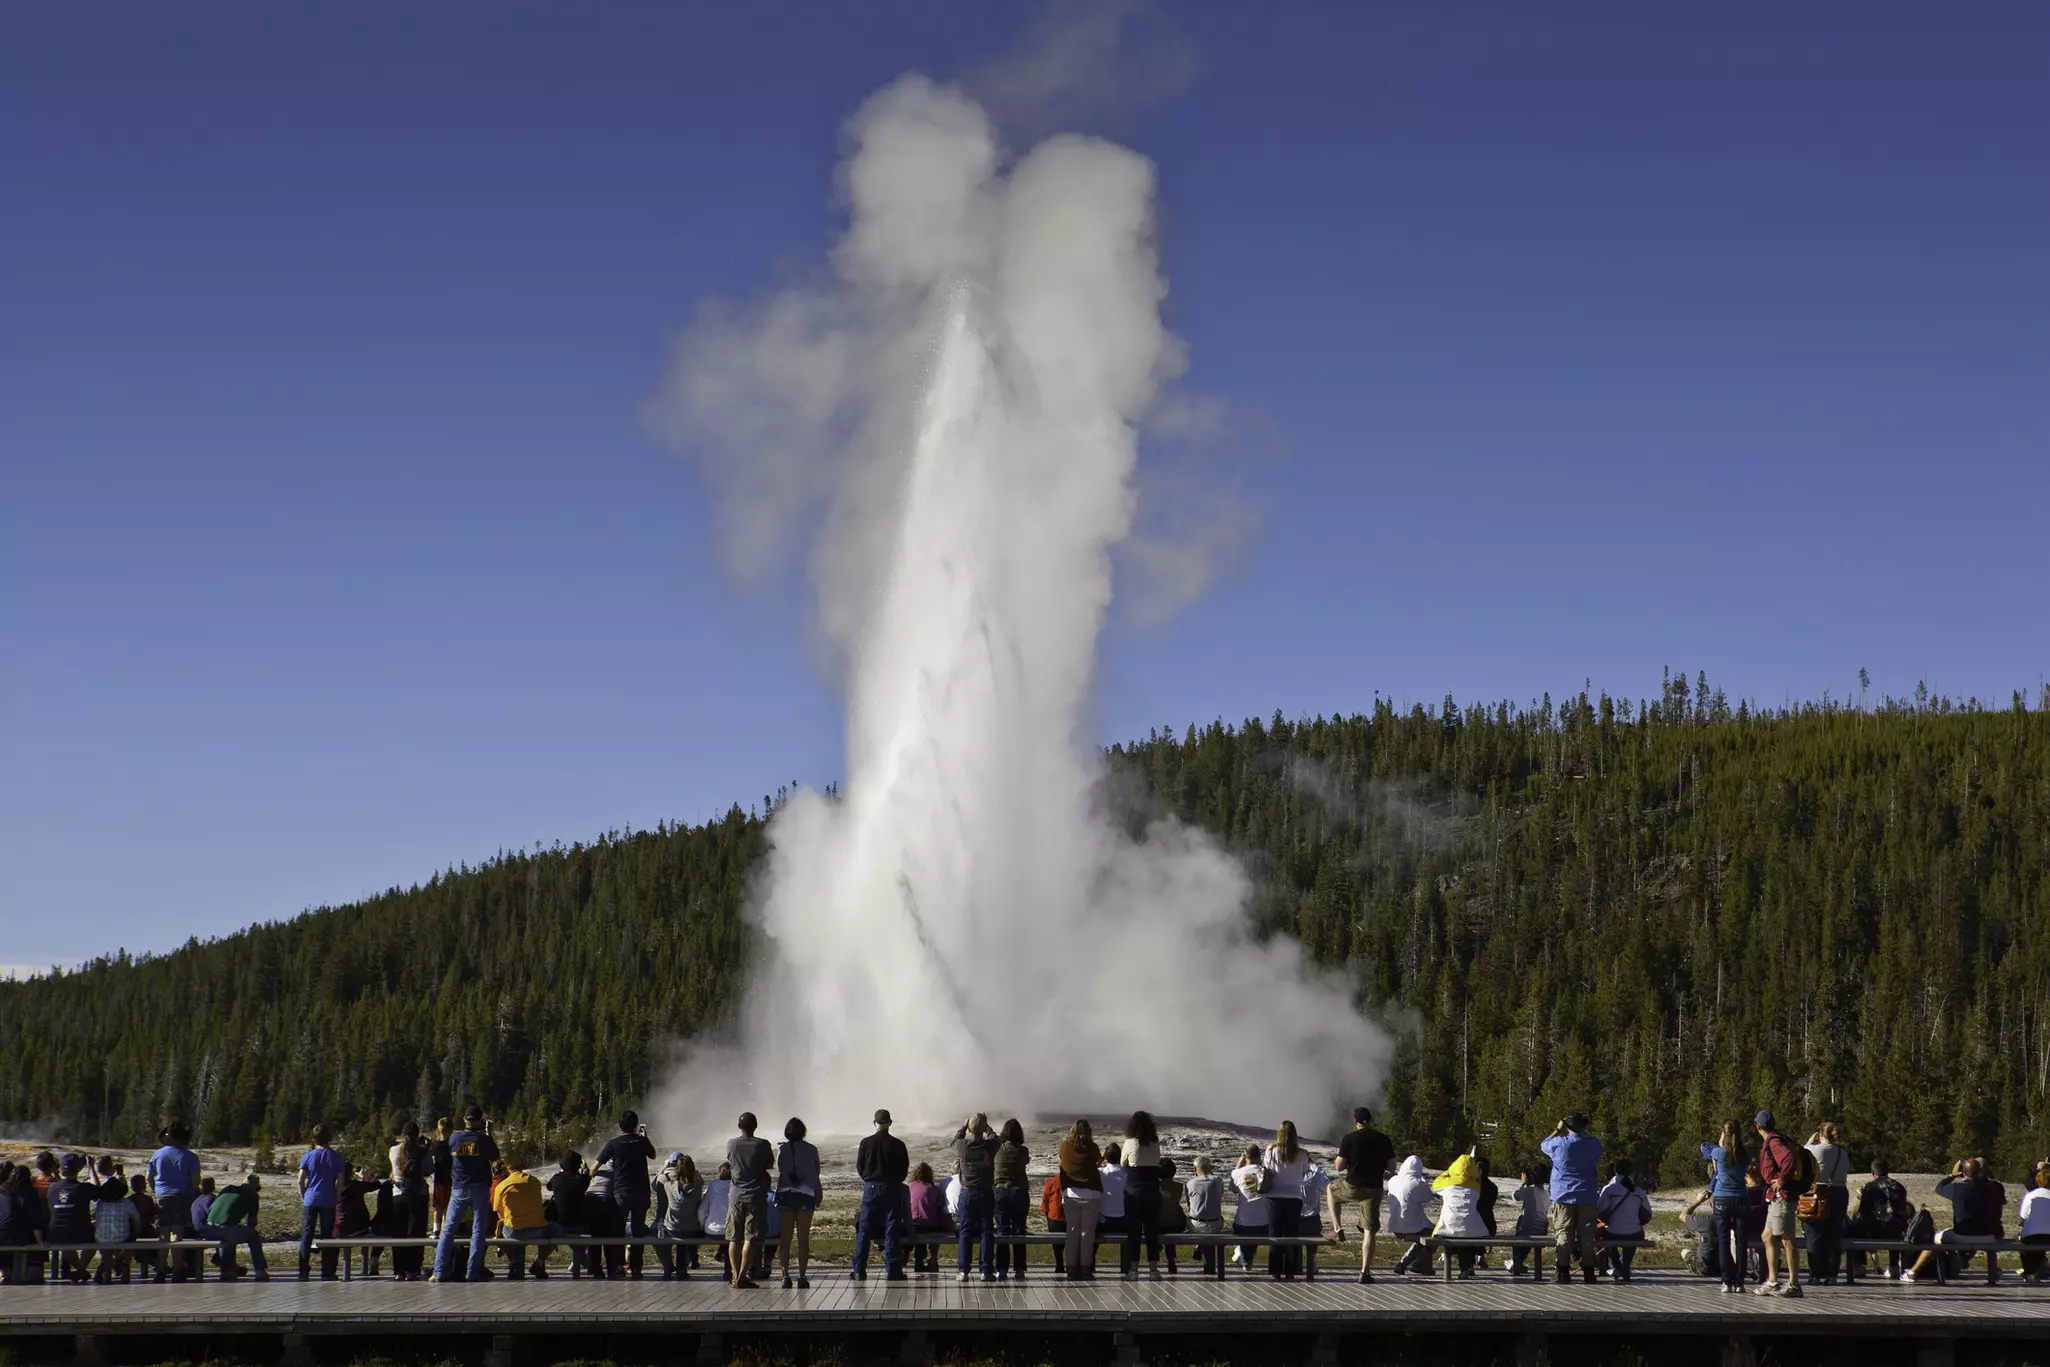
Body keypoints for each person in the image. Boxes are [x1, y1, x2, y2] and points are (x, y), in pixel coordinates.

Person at [432, 1104, 499, 1283]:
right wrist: (489, 1133)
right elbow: (494, 1156)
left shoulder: (454, 1137)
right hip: (479, 1187)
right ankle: (472, 1272)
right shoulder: (483, 1140)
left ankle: (439, 1271)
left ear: (464, 1119)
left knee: (448, 1231)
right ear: (480, 1120)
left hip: (459, 1188)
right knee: (478, 1231)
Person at [1331, 1106, 1397, 1283]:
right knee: (1370, 1232)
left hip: (1353, 1185)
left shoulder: (1349, 1138)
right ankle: (1364, 1272)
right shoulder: (1383, 1139)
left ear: (1355, 1122)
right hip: (1374, 1188)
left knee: (1331, 1190)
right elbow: (1392, 1166)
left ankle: (1337, 1227)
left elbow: (1339, 1167)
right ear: (1370, 1121)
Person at [1916, 1157, 2006, 1283]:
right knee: (1988, 1246)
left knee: (1937, 1240)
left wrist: (1952, 1176)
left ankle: (1913, 1272)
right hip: (1988, 1234)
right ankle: (1992, 1277)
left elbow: (1939, 1187)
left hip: (1962, 1234)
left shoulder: (1958, 1188)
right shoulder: (1993, 1188)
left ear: (1963, 1173)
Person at [1540, 1112, 1603, 1286]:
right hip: (1587, 1195)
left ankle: (1562, 1270)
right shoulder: (1594, 1144)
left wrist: (1557, 1130)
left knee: (1564, 1233)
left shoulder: (1559, 1144)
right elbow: (1598, 1149)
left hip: (1563, 1195)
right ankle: (1589, 1272)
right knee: (1587, 1235)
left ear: (1567, 1126)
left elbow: (1543, 1144)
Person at [595, 1110, 659, 1278]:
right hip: (641, 1193)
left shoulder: (613, 1143)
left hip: (621, 1193)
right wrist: (645, 1137)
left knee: (617, 1231)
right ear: (636, 1125)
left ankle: (617, 1268)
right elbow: (653, 1154)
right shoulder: (641, 1141)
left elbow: (594, 1167)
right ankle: (636, 1268)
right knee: (638, 1232)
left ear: (620, 1125)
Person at [1753, 1110, 1806, 1298]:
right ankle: (1773, 1281)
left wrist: (1782, 1179)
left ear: (1757, 1127)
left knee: (1787, 1238)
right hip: (1776, 1196)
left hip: (1782, 1196)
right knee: (1767, 1236)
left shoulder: (1774, 1142)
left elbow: (1788, 1159)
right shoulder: (1778, 1139)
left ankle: (1794, 1284)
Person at [853, 1109, 910, 1281]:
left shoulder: (866, 1143)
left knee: (864, 1227)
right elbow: (904, 1169)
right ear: (890, 1123)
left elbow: (859, 1166)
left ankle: (859, 1269)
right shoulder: (898, 1145)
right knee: (891, 1227)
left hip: (871, 1187)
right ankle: (893, 1268)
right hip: (892, 1186)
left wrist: (868, 1179)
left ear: (874, 1123)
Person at [492, 1153, 568, 1279]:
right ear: (521, 1165)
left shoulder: (501, 1186)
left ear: (507, 1168)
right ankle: (539, 1261)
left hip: (513, 1231)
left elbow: (499, 1212)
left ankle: (514, 1262)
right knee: (558, 1230)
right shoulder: (534, 1181)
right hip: (537, 1230)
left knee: (500, 1234)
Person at [724, 1111, 774, 1290]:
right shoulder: (762, 1144)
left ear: (739, 1126)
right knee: (750, 1237)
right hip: (755, 1195)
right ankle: (742, 1277)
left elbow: (729, 1163)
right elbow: (769, 1164)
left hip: (736, 1195)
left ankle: (734, 1274)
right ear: (755, 1126)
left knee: (734, 1237)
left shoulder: (731, 1144)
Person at [1700, 1122, 1750, 1293]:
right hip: (1741, 1197)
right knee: (1741, 1241)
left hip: (1722, 1197)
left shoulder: (1718, 1152)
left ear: (1724, 1135)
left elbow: (1707, 1152)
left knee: (1723, 1240)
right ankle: (1740, 1282)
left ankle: (1726, 1281)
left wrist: (1721, 1143)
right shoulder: (1745, 1154)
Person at [148, 1123, 202, 1283]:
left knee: (163, 1232)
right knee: (177, 1232)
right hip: (182, 1195)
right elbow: (195, 1179)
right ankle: (178, 1269)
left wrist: (156, 1190)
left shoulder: (158, 1154)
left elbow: (149, 1177)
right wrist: (191, 1193)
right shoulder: (189, 1156)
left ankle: (161, 1269)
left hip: (163, 1195)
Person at [950, 1112, 999, 1282]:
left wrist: (964, 1126)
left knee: (965, 1231)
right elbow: (996, 1139)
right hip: (985, 1192)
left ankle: (963, 1271)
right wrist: (986, 1126)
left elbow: (954, 1142)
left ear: (970, 1128)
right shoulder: (990, 1146)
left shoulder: (963, 1146)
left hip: (967, 1191)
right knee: (987, 1231)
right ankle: (986, 1271)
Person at [297, 1125, 349, 1281]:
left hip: (310, 1199)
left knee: (307, 1235)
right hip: (328, 1199)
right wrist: (337, 1196)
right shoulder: (336, 1157)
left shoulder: (308, 1156)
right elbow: (340, 1181)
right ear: (330, 1138)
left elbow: (300, 1180)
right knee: (327, 1236)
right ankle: (327, 1271)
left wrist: (304, 1196)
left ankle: (303, 1271)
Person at [776, 1117, 821, 1289]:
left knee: (785, 1238)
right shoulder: (812, 1149)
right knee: (803, 1238)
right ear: (803, 1132)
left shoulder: (782, 1149)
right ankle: (802, 1276)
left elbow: (781, 1169)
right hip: (805, 1195)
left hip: (786, 1195)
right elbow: (816, 1171)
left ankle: (785, 1276)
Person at [1803, 1121, 1851, 1284]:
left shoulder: (1815, 1149)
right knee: (1834, 1234)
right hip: (1839, 1191)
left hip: (1819, 1192)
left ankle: (1815, 1273)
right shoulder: (1842, 1153)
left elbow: (1801, 1153)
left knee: (1814, 1234)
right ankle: (1832, 1274)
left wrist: (1810, 1141)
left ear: (1821, 1134)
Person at [1120, 1111, 1165, 1281]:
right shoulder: (1155, 1142)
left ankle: (1133, 1270)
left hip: (1134, 1191)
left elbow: (1124, 1165)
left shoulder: (1130, 1142)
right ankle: (1153, 1269)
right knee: (1152, 1230)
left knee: (1134, 1231)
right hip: (1152, 1190)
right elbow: (1157, 1162)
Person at [1263, 1121, 1310, 1280]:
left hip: (1274, 1197)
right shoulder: (1302, 1153)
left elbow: (1267, 1169)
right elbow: (1304, 1171)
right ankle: (1290, 1270)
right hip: (1294, 1197)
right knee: (1291, 1233)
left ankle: (1275, 1270)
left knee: (1274, 1233)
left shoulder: (1271, 1151)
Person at [1431, 1152, 1490, 1278]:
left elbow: (1435, 1184)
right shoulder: (1476, 1187)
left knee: (1456, 1233)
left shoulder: (1448, 1184)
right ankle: (1466, 1267)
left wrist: (1448, 1172)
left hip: (1447, 1227)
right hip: (1471, 1228)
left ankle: (1460, 1268)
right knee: (1466, 1235)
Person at [1059, 1119, 1104, 1281]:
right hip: (1091, 1194)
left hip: (1071, 1193)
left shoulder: (1064, 1146)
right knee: (1087, 1233)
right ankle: (1085, 1268)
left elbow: (1063, 1163)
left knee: (1072, 1231)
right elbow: (1097, 1162)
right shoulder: (1092, 1147)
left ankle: (1071, 1268)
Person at [1849, 1160, 1909, 1279]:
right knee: (1897, 1224)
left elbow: (1862, 1212)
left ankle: (1859, 1266)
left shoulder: (1869, 1187)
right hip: (1895, 1232)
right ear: (1887, 1172)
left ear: (1873, 1172)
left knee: (1855, 1227)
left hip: (1873, 1231)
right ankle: (1894, 1266)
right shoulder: (1899, 1187)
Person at [204, 1173, 269, 1281]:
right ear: (255, 1187)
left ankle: (227, 1270)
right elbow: (251, 1223)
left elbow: (212, 1210)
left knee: (229, 1233)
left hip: (208, 1229)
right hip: (226, 1230)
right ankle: (260, 1270)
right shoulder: (253, 1195)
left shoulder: (228, 1188)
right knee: (252, 1235)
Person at [388, 1120, 431, 1281]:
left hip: (398, 1194)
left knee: (399, 1232)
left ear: (402, 1134)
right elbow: (428, 1170)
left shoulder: (393, 1150)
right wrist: (428, 1148)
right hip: (419, 1195)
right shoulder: (422, 1151)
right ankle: (413, 1269)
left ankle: (399, 1270)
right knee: (416, 1232)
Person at [1595, 1160, 1651, 1282]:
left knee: (1604, 1237)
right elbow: (1647, 1215)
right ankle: (1624, 1266)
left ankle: (1617, 1264)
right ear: (1631, 1172)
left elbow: (1599, 1211)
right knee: (1634, 1234)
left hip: (1613, 1233)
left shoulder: (1609, 1189)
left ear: (1615, 1171)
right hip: (1634, 1233)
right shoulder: (1638, 1191)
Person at [46, 1153, 93, 1283]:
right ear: (77, 1169)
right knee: (93, 1243)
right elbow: (97, 1189)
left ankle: (79, 1270)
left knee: (65, 1243)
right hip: (80, 1231)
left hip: (56, 1232)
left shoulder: (52, 1187)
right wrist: (92, 1169)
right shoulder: (83, 1188)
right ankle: (80, 1270)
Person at [654, 1153, 704, 1277]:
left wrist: (665, 1167)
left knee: (659, 1231)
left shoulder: (668, 1184)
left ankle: (668, 1266)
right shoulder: (697, 1185)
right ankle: (682, 1268)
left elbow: (655, 1183)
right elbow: (697, 1177)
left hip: (672, 1227)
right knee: (687, 1236)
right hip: (691, 1227)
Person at [994, 1118, 1031, 1280]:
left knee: (1002, 1229)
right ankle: (1019, 1268)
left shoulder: (997, 1149)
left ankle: (1001, 1268)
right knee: (1019, 1229)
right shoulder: (1023, 1151)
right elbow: (1026, 1161)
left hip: (1000, 1191)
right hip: (1019, 1192)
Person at [88, 1160, 137, 1284]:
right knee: (130, 1239)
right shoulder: (126, 1203)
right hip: (122, 1237)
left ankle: (106, 1270)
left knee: (106, 1246)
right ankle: (123, 1263)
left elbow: (92, 1215)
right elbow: (136, 1220)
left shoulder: (99, 1202)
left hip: (102, 1237)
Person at [1229, 1143, 1269, 1272]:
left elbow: (1232, 1189)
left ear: (1245, 1156)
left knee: (1247, 1225)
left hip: (1242, 1225)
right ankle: (1244, 1258)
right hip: (1265, 1226)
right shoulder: (1266, 1173)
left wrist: (1239, 1165)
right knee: (1257, 1219)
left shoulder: (1237, 1173)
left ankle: (1244, 1257)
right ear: (1260, 1155)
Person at [335, 1164, 379, 1277]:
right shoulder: (355, 1185)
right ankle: (366, 1267)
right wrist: (363, 1176)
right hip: (358, 1227)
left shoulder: (333, 1186)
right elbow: (376, 1185)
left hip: (339, 1228)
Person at [907, 1162, 952, 1273]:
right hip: (930, 1225)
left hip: (913, 1224)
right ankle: (933, 1258)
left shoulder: (909, 1187)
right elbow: (940, 1207)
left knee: (919, 1227)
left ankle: (919, 1260)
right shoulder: (934, 1189)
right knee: (933, 1223)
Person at [1506, 1165, 1549, 1277]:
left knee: (1518, 1239)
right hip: (1541, 1230)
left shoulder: (1530, 1190)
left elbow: (1515, 1196)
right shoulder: (1546, 1193)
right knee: (1525, 1243)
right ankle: (1517, 1263)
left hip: (1528, 1230)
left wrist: (1523, 1183)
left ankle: (1516, 1264)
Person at [1185, 1156, 1225, 1273]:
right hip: (1215, 1225)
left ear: (1194, 1169)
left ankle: (1199, 1246)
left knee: (1193, 1216)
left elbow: (1189, 1204)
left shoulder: (1190, 1183)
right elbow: (1219, 1196)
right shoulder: (1218, 1180)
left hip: (1195, 1225)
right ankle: (1209, 1266)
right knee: (1214, 1222)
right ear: (1210, 1168)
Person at [1096, 1143, 1129, 1276]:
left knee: (1092, 1226)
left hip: (1104, 1222)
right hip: (1123, 1221)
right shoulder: (1126, 1174)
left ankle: (1090, 1265)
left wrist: (1099, 1162)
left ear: (1105, 1157)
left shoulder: (1101, 1174)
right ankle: (1126, 1267)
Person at [698, 1163, 732, 1275]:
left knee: (727, 1234)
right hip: (729, 1230)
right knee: (731, 1235)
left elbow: (702, 1209)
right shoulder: (735, 1186)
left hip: (712, 1230)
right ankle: (729, 1271)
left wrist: (702, 1225)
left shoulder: (712, 1186)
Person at [2019, 1165, 2050, 1284]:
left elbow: (2023, 1217)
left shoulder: (2031, 1195)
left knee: (2025, 1241)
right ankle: (2040, 1266)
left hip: (2033, 1236)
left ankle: (2031, 1271)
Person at [127, 1172, 160, 1282]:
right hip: (147, 1230)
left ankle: (154, 1264)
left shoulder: (129, 1200)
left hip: (133, 1232)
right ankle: (158, 1264)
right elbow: (152, 1216)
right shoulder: (148, 1199)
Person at [429, 1116, 454, 1238]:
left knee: (442, 1206)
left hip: (446, 1178)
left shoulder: (440, 1144)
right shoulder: (436, 1144)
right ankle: (437, 1229)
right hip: (442, 1178)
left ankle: (439, 1229)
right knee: (440, 1206)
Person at [1040, 1168, 1067, 1276]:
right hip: (1069, 1217)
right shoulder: (1074, 1182)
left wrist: (1047, 1213)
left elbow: (1045, 1200)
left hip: (1054, 1217)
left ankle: (1059, 1264)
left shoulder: (1051, 1182)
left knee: (1057, 1246)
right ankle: (1071, 1264)